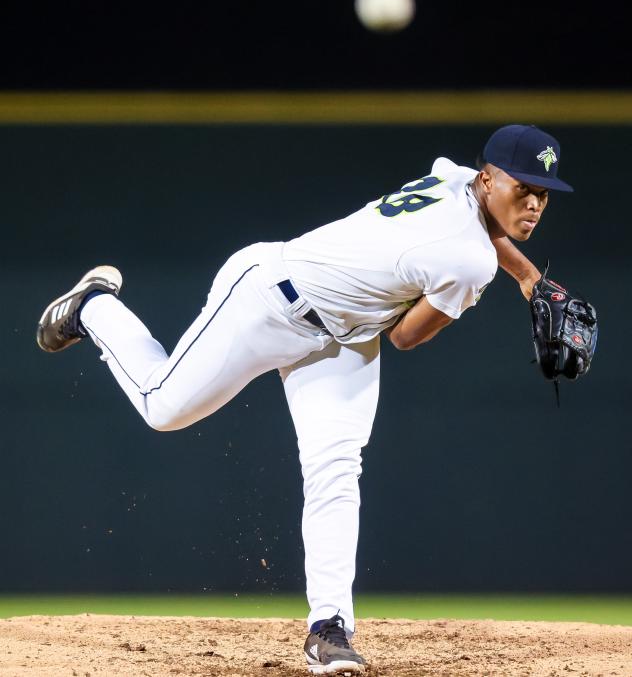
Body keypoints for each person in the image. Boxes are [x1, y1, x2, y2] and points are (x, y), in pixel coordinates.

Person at [36, 123, 574, 674]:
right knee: (161, 408)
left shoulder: (454, 178)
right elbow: (407, 336)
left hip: (342, 333)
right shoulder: (469, 263)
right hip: (269, 299)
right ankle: (92, 307)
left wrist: (531, 280)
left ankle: (329, 628)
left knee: (336, 468)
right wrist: (482, 291)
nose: (532, 204)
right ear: (487, 180)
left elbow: (481, 233)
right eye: (521, 189)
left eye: (543, 194)